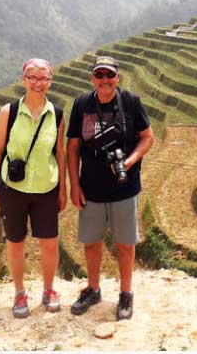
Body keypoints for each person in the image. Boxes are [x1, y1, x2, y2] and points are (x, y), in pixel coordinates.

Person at [66, 55, 154, 321]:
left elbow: (147, 137)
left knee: (125, 244)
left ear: (118, 77)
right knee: (91, 242)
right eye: (99, 75)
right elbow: (73, 146)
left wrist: (128, 161)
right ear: (92, 78)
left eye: (109, 75)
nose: (105, 80)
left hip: (124, 189)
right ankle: (93, 289)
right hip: (90, 188)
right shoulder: (82, 104)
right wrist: (74, 184)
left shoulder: (130, 102)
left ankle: (126, 293)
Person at [0, 58, 67, 319]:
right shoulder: (8, 113)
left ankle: (48, 290)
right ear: (24, 80)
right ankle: (20, 292)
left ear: (50, 82)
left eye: (43, 78)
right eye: (32, 77)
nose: (38, 83)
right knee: (15, 241)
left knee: (50, 243)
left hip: (46, 187)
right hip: (13, 188)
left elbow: (60, 153)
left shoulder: (56, 114)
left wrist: (63, 189)